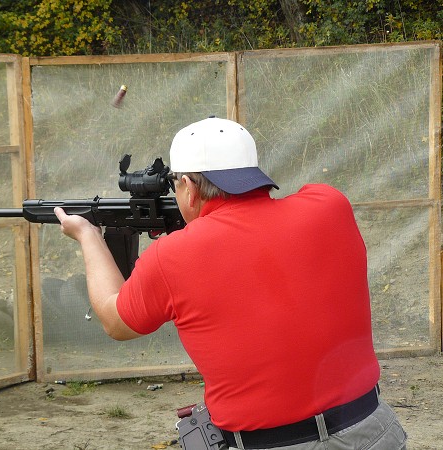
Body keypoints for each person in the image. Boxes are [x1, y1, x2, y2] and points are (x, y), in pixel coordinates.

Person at [54, 116, 407, 449]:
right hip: (373, 431)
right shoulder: (330, 205)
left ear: (189, 188)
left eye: (176, 183)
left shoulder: (172, 255)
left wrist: (87, 236)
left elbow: (115, 321)